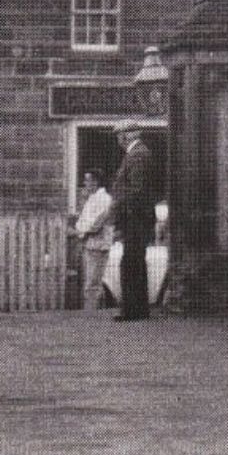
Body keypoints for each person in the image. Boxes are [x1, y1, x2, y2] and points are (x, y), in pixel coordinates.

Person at [110, 119, 161, 321]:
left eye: (119, 134)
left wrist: (117, 206)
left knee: (131, 262)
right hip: (136, 216)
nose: (118, 139)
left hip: (136, 217)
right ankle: (137, 309)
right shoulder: (136, 154)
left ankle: (132, 310)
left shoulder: (138, 155)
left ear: (128, 134)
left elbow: (136, 190)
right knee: (134, 262)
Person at [71, 171, 113, 310]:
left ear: (95, 182)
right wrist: (79, 230)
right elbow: (82, 220)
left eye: (88, 180)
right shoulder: (92, 198)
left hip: (98, 245)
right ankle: (94, 313)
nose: (85, 184)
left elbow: (96, 224)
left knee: (92, 285)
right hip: (90, 244)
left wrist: (79, 232)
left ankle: (91, 316)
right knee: (91, 283)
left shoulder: (105, 199)